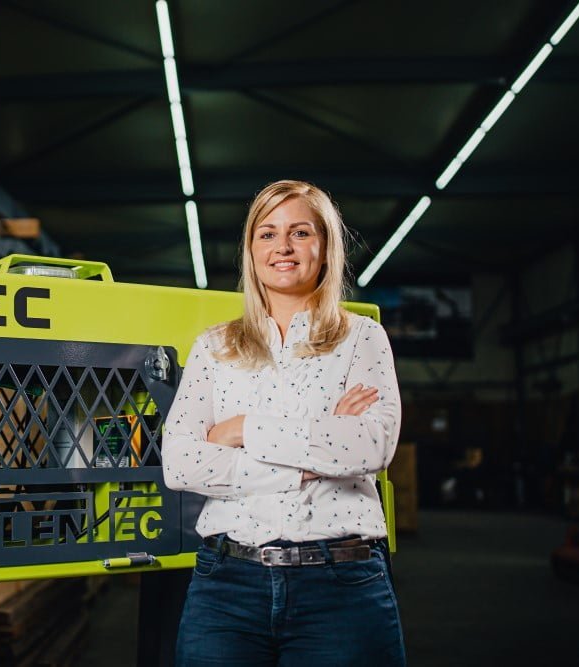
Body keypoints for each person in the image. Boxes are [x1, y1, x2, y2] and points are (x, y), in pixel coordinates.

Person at [163, 180, 405, 666]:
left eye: (300, 232)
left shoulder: (363, 338)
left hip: (341, 583)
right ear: (251, 250)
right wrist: (317, 453)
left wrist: (242, 429)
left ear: (325, 246)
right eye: (267, 234)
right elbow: (181, 464)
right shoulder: (214, 347)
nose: (283, 247)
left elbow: (370, 446)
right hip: (226, 585)